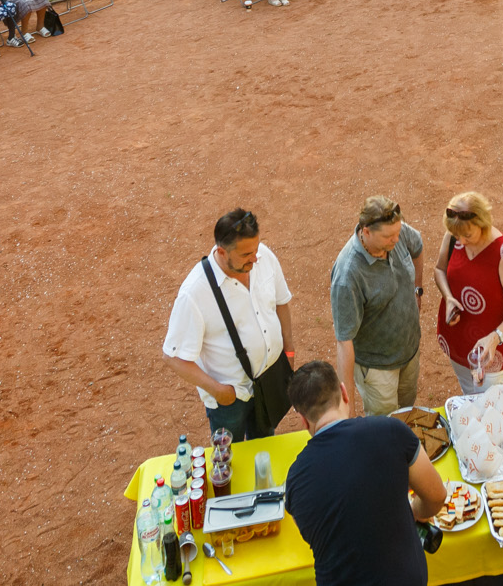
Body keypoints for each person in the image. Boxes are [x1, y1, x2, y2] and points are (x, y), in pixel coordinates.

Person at [284, 358, 446, 586]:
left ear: (303, 421)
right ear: (344, 393)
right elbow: (437, 495)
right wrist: (415, 511)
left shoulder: (295, 480)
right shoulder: (391, 431)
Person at [162, 207, 297, 440]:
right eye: (246, 255)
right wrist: (218, 391)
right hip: (230, 400)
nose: (255, 258)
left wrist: (289, 350)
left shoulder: (263, 257)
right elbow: (173, 357)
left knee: (264, 442)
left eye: (255, 249)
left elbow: (281, 302)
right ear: (222, 253)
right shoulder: (194, 293)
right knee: (228, 460)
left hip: (270, 381)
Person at [329, 195, 424, 416]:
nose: (396, 240)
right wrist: (348, 408)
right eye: (388, 237)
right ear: (366, 231)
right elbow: (344, 342)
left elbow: (417, 245)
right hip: (377, 369)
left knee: (407, 410)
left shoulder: (395, 232)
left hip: (409, 351)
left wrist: (417, 288)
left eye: (398, 233)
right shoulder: (348, 275)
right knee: (385, 425)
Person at [434, 192, 503, 394]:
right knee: (468, 389)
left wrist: (495, 337)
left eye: (468, 236)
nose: (461, 241)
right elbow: (440, 269)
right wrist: (448, 297)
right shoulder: (454, 233)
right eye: (457, 236)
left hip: (489, 352)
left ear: (482, 222)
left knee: (489, 403)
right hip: (457, 340)